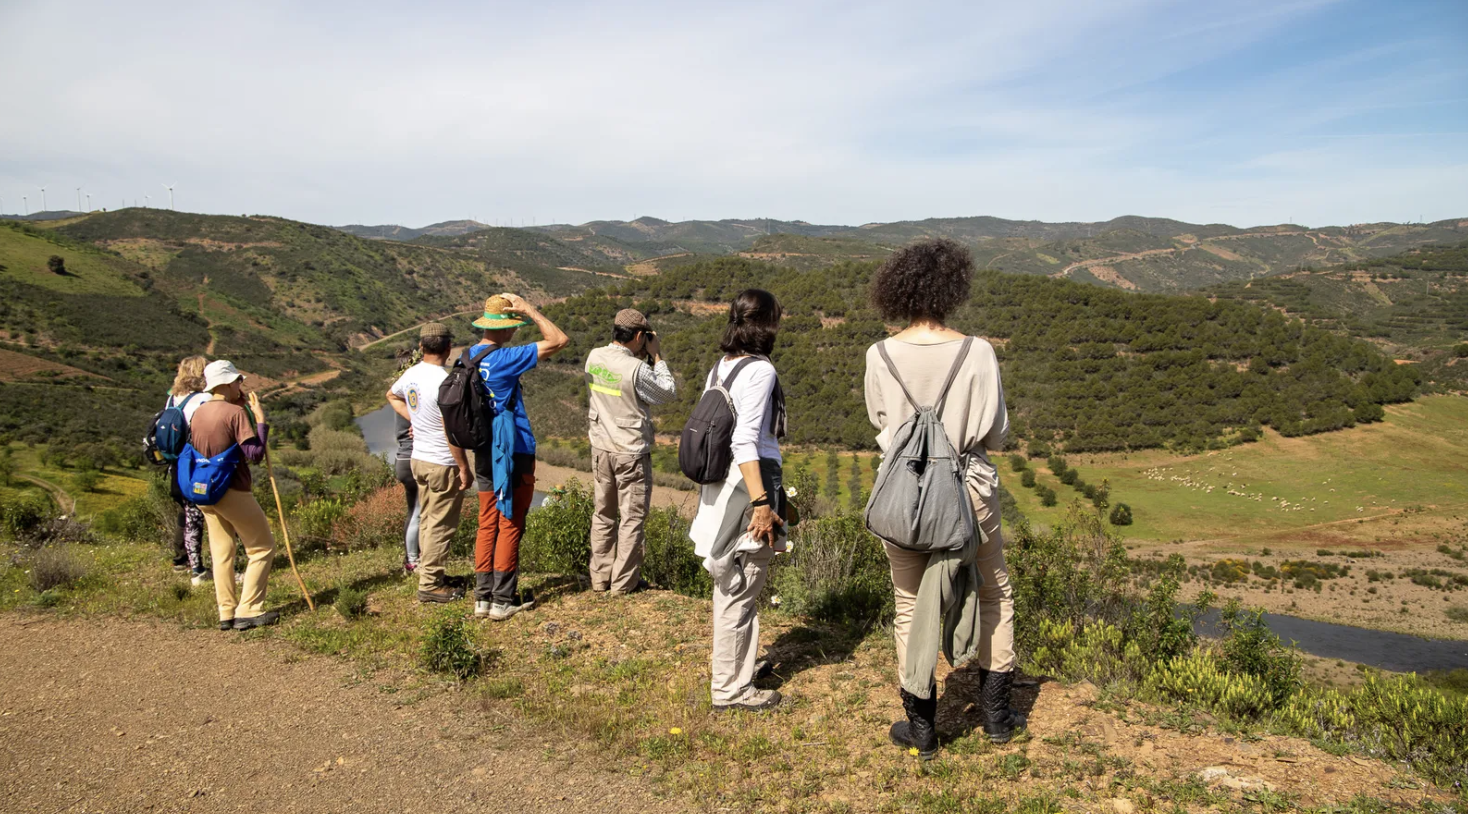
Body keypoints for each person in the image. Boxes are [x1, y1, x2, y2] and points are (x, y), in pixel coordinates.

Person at [863, 238, 1024, 756]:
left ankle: (923, 726)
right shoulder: (978, 351)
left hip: (902, 496)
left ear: (899, 288)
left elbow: (881, 425)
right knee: (994, 591)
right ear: (953, 288)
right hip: (969, 492)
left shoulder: (880, 354)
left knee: (910, 604)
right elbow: (995, 433)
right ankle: (997, 717)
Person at [688, 289, 788, 712]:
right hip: (747, 489)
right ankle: (730, 689)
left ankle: (739, 667)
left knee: (738, 584)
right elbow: (746, 440)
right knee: (738, 586)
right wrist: (763, 502)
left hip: (721, 487)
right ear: (765, 324)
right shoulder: (761, 370)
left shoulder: (722, 367)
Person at [468, 294, 569, 620]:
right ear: (507, 328)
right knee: (510, 522)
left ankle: (482, 597)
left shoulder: (469, 356)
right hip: (513, 451)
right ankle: (503, 600)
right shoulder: (504, 358)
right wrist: (529, 309)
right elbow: (559, 340)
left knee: (487, 522)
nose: (515, 332)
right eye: (514, 326)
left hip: (483, 451)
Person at [584, 308, 677, 594]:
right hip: (630, 452)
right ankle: (624, 582)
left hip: (601, 446)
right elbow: (667, 392)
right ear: (639, 336)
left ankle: (600, 578)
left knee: (603, 514)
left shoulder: (593, 356)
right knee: (632, 517)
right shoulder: (636, 369)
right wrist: (657, 356)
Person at [190, 360, 279, 631]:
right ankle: (250, 609)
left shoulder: (199, 412)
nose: (241, 385)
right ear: (227, 383)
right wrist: (260, 421)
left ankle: (226, 611)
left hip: (204, 492)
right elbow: (254, 454)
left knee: (222, 552)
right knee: (262, 548)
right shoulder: (234, 413)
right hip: (233, 491)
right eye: (238, 381)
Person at [387, 323, 471, 604]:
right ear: (448, 349)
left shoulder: (411, 373)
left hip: (418, 459)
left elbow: (392, 395)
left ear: (421, 348)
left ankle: (428, 572)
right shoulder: (445, 382)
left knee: (426, 518)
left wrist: (415, 418)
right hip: (441, 461)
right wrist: (463, 467)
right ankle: (431, 584)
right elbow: (451, 432)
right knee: (440, 524)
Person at [164, 355, 210, 584]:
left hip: (175, 464)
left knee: (185, 511)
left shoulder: (172, 398)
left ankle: (180, 558)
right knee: (200, 514)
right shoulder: (203, 399)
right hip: (195, 463)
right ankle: (199, 568)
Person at [392, 350, 422, 575]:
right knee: (418, 511)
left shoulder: (401, 396)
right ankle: (412, 561)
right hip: (411, 459)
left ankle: (412, 557)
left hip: (403, 459)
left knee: (414, 510)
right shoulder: (408, 399)